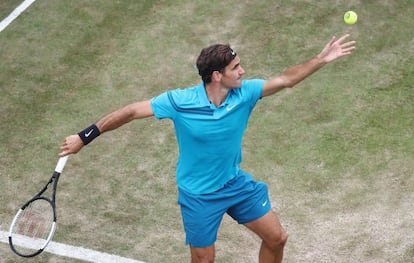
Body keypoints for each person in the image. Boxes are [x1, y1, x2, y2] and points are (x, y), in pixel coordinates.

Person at [59, 34, 356, 263]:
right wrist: (85, 137)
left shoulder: (246, 93)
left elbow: (287, 79)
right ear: (217, 75)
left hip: (234, 184)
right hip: (198, 196)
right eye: (236, 68)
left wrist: (321, 59)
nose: (243, 72)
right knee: (204, 259)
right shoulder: (180, 101)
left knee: (277, 238)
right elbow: (131, 111)